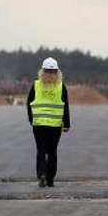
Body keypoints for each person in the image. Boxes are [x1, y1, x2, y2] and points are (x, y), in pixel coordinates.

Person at [26, 57, 70, 187]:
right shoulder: (61, 86)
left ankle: (42, 174)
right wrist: (66, 124)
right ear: (57, 72)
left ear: (42, 71)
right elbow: (65, 106)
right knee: (52, 151)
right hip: (55, 126)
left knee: (41, 150)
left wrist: (31, 119)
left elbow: (29, 103)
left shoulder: (36, 85)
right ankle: (50, 179)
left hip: (39, 124)